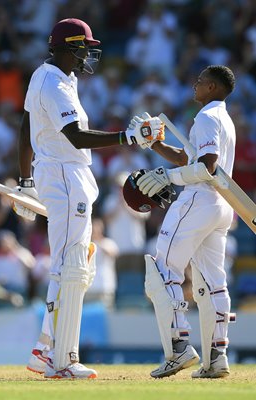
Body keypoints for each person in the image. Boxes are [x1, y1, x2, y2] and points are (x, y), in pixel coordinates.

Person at [14, 18, 164, 380]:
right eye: (84, 47)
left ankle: (46, 349)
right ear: (68, 47)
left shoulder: (49, 76)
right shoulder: (53, 83)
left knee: (73, 265)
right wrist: (128, 139)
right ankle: (61, 360)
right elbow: (76, 137)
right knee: (70, 267)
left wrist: (25, 179)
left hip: (61, 174)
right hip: (66, 174)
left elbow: (25, 128)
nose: (88, 54)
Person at [136, 65, 236, 379]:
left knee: (163, 271)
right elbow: (189, 158)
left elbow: (205, 167)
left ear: (213, 87)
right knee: (212, 282)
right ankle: (216, 357)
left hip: (198, 198)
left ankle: (178, 349)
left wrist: (168, 177)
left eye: (201, 81)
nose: (195, 84)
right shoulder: (224, 119)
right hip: (222, 205)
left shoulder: (206, 117)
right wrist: (155, 145)